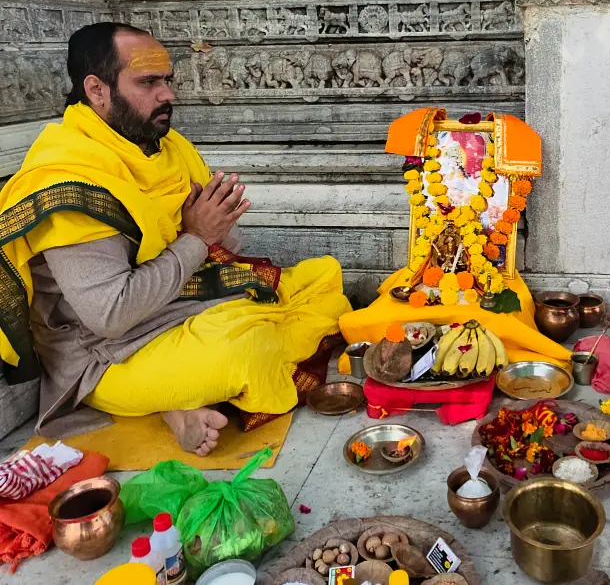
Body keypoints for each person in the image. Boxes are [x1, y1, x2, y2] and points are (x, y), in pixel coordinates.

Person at [0, 23, 352, 455]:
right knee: (247, 349)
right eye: (148, 82)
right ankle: (180, 402)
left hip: (176, 306)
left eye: (167, 80)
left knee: (323, 279)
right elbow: (110, 315)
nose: (167, 94)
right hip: (109, 355)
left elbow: (228, 246)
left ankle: (182, 404)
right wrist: (197, 237)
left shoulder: (165, 148)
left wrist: (209, 232)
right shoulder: (71, 181)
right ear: (96, 90)